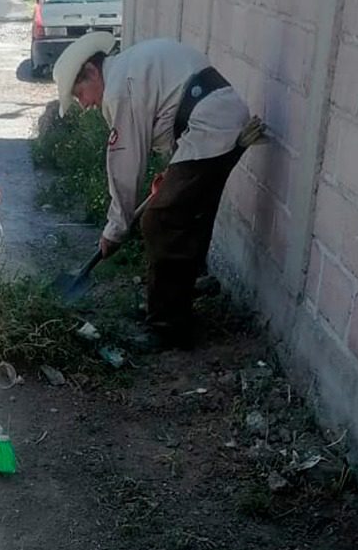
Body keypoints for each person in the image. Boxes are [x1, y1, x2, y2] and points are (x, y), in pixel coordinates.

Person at [53, 32, 264, 351]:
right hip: (214, 121)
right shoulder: (127, 70)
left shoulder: (119, 89)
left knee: (160, 220)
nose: (83, 104)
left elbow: (125, 166)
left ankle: (167, 326)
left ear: (93, 72)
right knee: (187, 214)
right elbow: (171, 112)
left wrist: (115, 229)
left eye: (79, 93)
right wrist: (173, 171)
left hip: (212, 126)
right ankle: (174, 300)